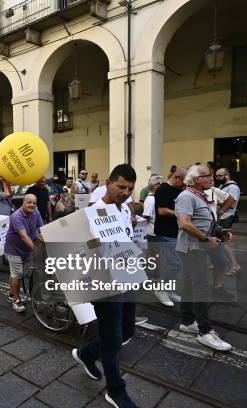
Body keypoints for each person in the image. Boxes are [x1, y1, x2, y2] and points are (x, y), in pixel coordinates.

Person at [72, 164, 139, 408]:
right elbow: (79, 246)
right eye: (121, 187)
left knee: (128, 331)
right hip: (105, 283)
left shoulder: (123, 210)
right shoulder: (95, 211)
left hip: (127, 276)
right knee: (112, 339)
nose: (125, 192)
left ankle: (86, 354)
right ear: (108, 183)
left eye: (130, 189)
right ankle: (115, 390)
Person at [175, 165, 232, 351]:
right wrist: (206, 238)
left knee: (191, 285)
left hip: (198, 247)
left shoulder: (200, 196)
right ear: (196, 179)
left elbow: (202, 222)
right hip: (192, 248)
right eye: (207, 176)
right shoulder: (186, 196)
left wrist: (219, 233)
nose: (211, 179)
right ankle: (205, 332)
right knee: (200, 287)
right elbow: (184, 224)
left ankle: (187, 321)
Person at [153, 167, 187, 307]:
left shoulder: (179, 190)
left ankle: (168, 290)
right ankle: (160, 289)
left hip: (177, 233)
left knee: (174, 264)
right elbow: (161, 211)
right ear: (177, 177)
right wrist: (180, 213)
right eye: (184, 182)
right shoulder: (163, 189)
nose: (185, 185)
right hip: (165, 233)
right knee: (176, 263)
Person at [4, 194, 44, 313]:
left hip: (27, 248)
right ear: (23, 203)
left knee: (18, 273)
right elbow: (23, 236)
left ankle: (11, 294)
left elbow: (42, 228)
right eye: (29, 202)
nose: (32, 205)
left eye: (34, 203)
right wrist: (37, 250)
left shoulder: (36, 212)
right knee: (18, 274)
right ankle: (16, 300)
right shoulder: (16, 216)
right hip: (13, 249)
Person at [215, 168, 241, 274]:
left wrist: (217, 204)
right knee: (217, 241)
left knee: (222, 243)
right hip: (220, 217)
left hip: (226, 217)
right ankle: (218, 262)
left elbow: (232, 204)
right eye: (216, 176)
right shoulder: (222, 186)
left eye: (219, 176)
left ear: (227, 175)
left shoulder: (232, 187)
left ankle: (234, 265)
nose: (217, 178)